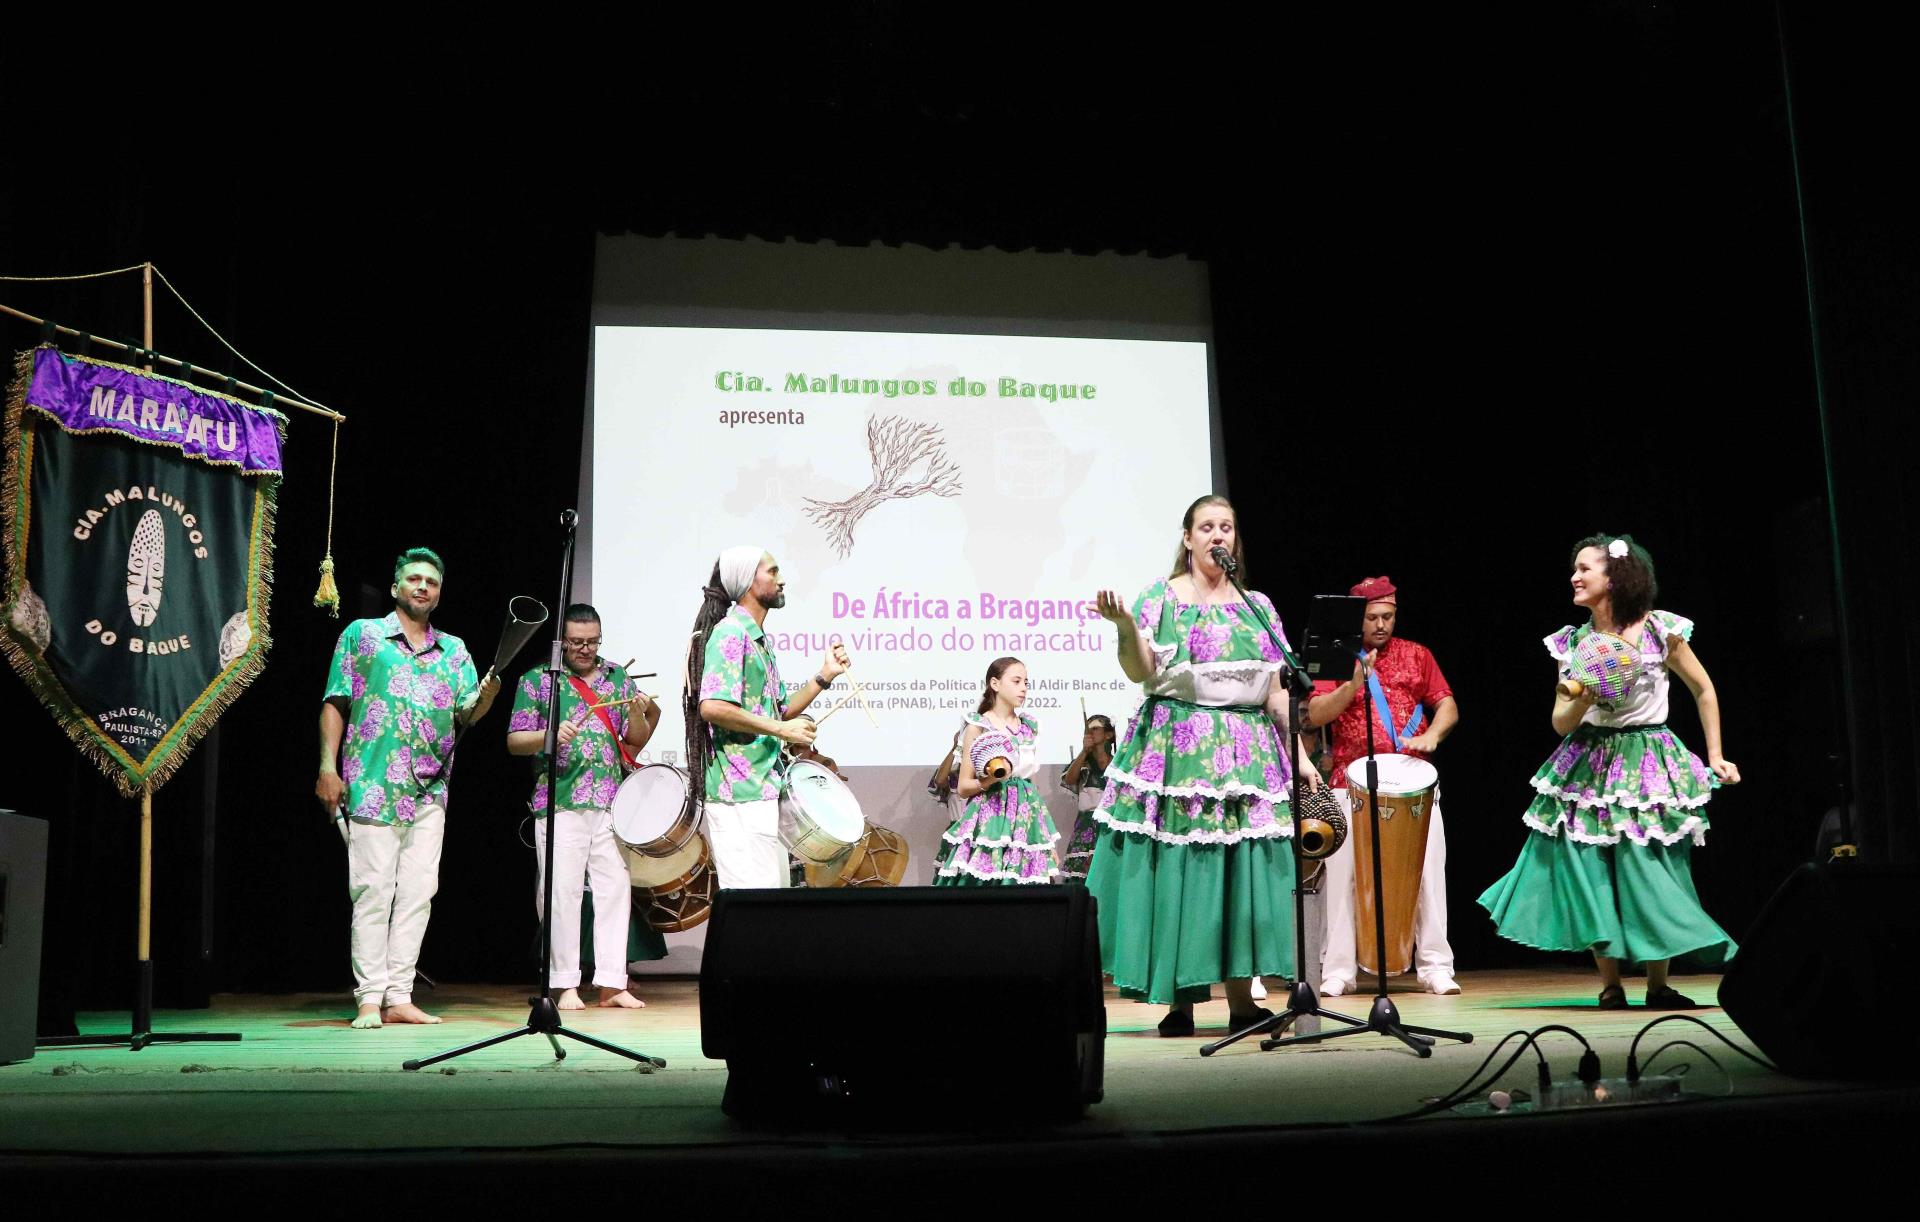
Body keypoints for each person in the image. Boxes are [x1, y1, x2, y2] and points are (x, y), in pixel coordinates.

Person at [1086, 495, 1323, 1036]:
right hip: (1180, 748)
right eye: (1207, 527)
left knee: (1238, 870)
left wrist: (1301, 758)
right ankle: (1181, 1003)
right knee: (1186, 869)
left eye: (1227, 527)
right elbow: (1140, 670)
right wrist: (1125, 627)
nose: (1218, 535)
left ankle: (1243, 1003)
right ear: (1188, 537)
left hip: (1248, 750)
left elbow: (1276, 691)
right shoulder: (1162, 598)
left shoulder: (1257, 604)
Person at [1479, 535, 1740, 1008]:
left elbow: (1704, 689)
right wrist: (1582, 696)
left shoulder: (1661, 630)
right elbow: (1561, 725)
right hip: (1588, 759)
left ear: (1614, 577)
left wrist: (1716, 755)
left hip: (1648, 757)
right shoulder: (1575, 643)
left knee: (1651, 863)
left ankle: (1659, 984)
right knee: (1589, 867)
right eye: (1574, 569)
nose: (1574, 578)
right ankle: (1610, 985)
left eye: (1584, 569)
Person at [318, 548, 500, 1030]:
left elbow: (467, 715)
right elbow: (336, 700)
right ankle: (368, 997)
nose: (423, 587)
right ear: (396, 587)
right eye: (414, 579)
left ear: (439, 594)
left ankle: (400, 994)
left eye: (432, 582)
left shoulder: (455, 650)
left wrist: (486, 698)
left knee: (419, 891)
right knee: (373, 892)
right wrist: (327, 767)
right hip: (374, 783)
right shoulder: (364, 636)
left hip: (430, 787)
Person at [1305, 576, 1463, 996]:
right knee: (1343, 879)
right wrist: (1353, 684)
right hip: (1348, 781)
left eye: (1387, 616)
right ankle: (1338, 969)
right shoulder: (1340, 658)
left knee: (1428, 872)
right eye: (1372, 617)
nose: (1380, 625)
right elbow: (1316, 714)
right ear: (1358, 618)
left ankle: (1435, 965)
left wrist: (1433, 736)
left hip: (1413, 782)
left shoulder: (1417, 654)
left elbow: (1446, 703)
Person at [506, 604, 660, 1010]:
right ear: (561, 642)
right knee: (562, 892)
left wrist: (636, 713)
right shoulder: (538, 681)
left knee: (614, 890)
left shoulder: (616, 677)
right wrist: (551, 734)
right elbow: (514, 741)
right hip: (559, 800)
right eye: (577, 642)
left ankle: (612, 983)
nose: (586, 650)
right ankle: (564, 983)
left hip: (610, 800)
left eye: (592, 642)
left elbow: (634, 741)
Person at [686, 545, 849, 888]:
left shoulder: (757, 639)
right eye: (772, 572)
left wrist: (824, 676)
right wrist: (780, 729)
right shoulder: (731, 633)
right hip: (738, 792)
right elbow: (712, 707)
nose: (781, 579)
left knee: (767, 898)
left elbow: (780, 709)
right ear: (748, 581)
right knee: (751, 903)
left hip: (759, 788)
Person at [932, 657, 1060, 884]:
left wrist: (1045, 840)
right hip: (991, 817)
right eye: (1017, 681)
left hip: (1026, 821)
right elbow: (963, 787)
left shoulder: (1029, 726)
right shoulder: (978, 726)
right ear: (995, 684)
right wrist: (989, 780)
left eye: (1026, 683)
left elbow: (1032, 785)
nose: (1023, 688)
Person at [1059, 714, 1117, 881]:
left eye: (1095, 728)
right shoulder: (1083, 763)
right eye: (1088, 729)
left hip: (1109, 826)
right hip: (1085, 826)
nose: (1090, 732)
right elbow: (1069, 779)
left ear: (1108, 734)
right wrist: (1084, 751)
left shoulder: (1118, 764)